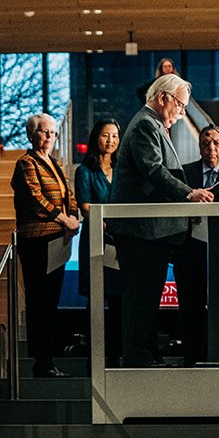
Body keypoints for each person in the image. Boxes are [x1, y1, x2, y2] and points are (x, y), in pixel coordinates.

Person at [109, 74, 215, 367]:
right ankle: (137, 358)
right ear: (163, 98)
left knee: (147, 297)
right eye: (180, 105)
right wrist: (188, 194)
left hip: (152, 231)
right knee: (140, 298)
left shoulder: (154, 124)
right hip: (142, 231)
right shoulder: (145, 124)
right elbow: (154, 171)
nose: (182, 112)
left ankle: (145, 353)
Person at [11, 112, 79, 378]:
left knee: (51, 302)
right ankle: (41, 360)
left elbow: (69, 195)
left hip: (58, 240)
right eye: (44, 132)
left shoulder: (55, 163)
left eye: (53, 132)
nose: (50, 136)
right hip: (37, 241)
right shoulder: (26, 163)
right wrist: (63, 218)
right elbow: (34, 197)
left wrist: (72, 216)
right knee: (39, 301)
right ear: (32, 134)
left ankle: (48, 359)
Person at [174, 125, 219, 365]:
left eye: (216, 144)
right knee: (190, 304)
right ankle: (192, 358)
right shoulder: (185, 174)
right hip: (190, 248)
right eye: (205, 143)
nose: (211, 148)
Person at [74, 119, 124, 367]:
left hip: (119, 242)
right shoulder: (85, 171)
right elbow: (85, 207)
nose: (111, 141)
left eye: (115, 136)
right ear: (97, 137)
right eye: (106, 135)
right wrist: (106, 223)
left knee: (118, 299)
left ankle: (116, 354)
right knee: (96, 297)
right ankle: (92, 353)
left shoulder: (123, 168)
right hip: (96, 240)